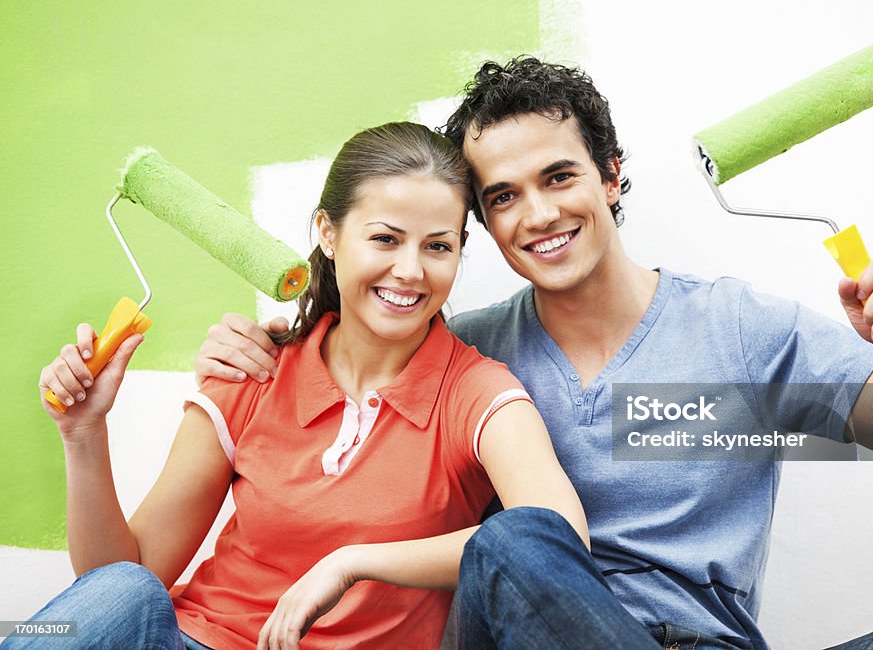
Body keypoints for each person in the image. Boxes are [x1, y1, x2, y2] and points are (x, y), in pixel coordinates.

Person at [196, 60, 873, 649]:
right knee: (517, 542)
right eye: (504, 197)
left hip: (707, 642)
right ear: (483, 223)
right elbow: (353, 350)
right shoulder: (465, 356)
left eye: (559, 177)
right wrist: (280, 335)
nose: (539, 214)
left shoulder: (743, 331)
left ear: (612, 176)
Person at [16, 122, 587, 650]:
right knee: (126, 592)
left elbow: (554, 539)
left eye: (438, 246)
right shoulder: (253, 371)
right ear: (328, 233)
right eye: (385, 239)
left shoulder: (476, 394)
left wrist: (353, 562)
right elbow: (117, 579)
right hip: (192, 639)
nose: (411, 271)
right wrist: (83, 434)